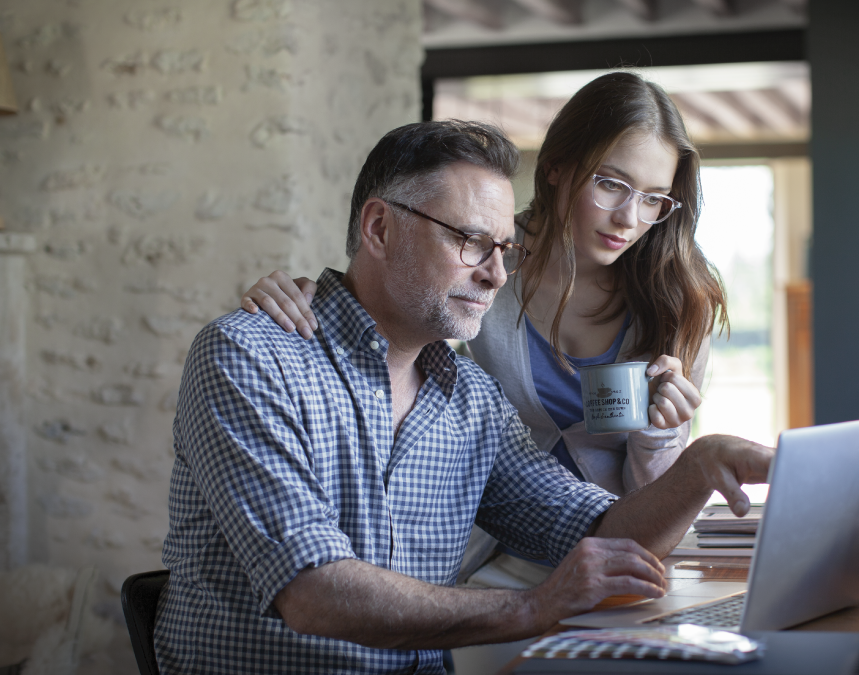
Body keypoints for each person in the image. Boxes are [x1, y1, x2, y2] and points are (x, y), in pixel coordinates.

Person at [157, 119, 771, 674]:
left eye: (504, 249)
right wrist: (533, 606)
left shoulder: (468, 397)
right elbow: (313, 593)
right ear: (379, 228)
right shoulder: (250, 357)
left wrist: (698, 467)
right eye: (471, 242)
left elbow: (602, 531)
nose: (497, 275)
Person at [242, 72, 728, 588]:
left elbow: (650, 501)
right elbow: (393, 304)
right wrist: (310, 295)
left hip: (617, 542)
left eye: (654, 198)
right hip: (485, 557)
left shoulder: (680, 297)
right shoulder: (486, 254)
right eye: (610, 184)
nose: (629, 218)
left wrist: (662, 438)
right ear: (559, 168)